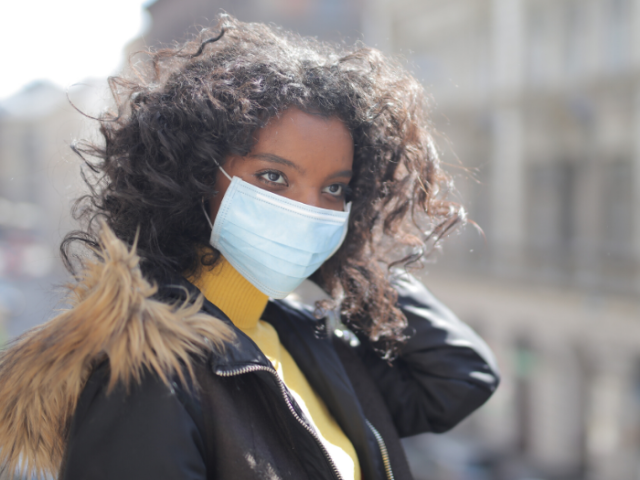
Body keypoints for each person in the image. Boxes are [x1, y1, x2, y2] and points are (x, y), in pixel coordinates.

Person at [0, 15, 499, 480]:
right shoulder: (148, 372)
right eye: (274, 177)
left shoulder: (301, 339)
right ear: (193, 179)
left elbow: (459, 377)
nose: (311, 210)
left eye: (335, 189)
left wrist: (345, 263)